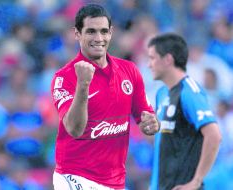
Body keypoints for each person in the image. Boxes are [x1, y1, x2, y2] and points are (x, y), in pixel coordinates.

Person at [50, 4, 160, 190]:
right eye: (91, 31)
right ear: (77, 34)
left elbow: (145, 119)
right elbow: (74, 129)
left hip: (115, 181)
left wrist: (151, 124)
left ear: (111, 32)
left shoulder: (129, 71)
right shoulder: (64, 77)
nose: (98, 38)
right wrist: (83, 85)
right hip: (74, 176)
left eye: (103, 31)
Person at [147, 33, 222, 190]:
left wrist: (196, 181)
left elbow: (214, 135)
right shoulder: (162, 94)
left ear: (168, 59)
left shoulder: (189, 91)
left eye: (152, 58)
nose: (149, 64)